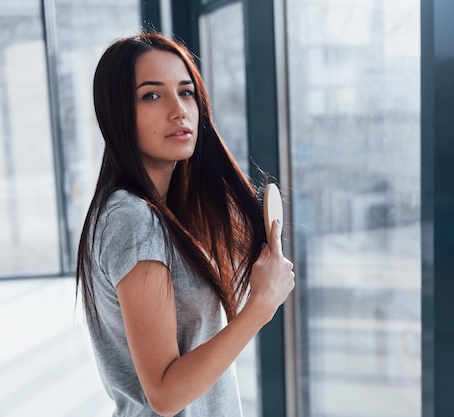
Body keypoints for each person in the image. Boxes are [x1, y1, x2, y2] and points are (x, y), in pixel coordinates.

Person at [76, 31, 295, 417]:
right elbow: (165, 394)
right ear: (116, 114)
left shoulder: (165, 212)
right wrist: (260, 306)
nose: (179, 111)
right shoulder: (131, 219)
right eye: (152, 95)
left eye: (186, 92)